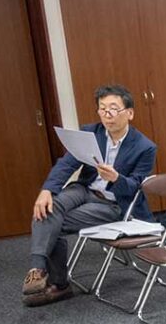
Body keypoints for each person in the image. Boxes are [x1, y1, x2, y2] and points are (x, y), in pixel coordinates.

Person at [22, 85, 156, 307]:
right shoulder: (90, 132)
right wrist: (47, 190)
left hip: (112, 203)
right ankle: (38, 269)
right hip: (83, 189)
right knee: (47, 205)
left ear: (129, 113)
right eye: (102, 109)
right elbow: (66, 164)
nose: (107, 115)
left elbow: (134, 188)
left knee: (51, 220)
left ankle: (60, 285)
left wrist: (116, 179)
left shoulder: (145, 147)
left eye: (114, 109)